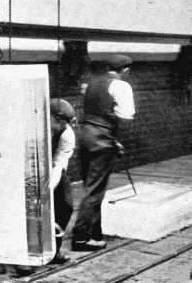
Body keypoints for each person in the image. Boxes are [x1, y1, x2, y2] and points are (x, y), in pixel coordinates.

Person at [71, 54, 135, 251]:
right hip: (101, 138)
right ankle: (81, 238)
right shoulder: (121, 86)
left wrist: (113, 141)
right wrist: (110, 132)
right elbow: (126, 116)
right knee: (95, 190)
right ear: (125, 71)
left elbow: (92, 113)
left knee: (89, 187)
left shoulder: (91, 83)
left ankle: (94, 233)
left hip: (82, 136)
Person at [46, 98, 76, 264]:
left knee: (65, 205)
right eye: (56, 120)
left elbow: (59, 165)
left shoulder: (67, 134)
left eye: (62, 123)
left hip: (52, 167)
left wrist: (51, 186)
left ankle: (54, 250)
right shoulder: (34, 127)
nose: (59, 125)